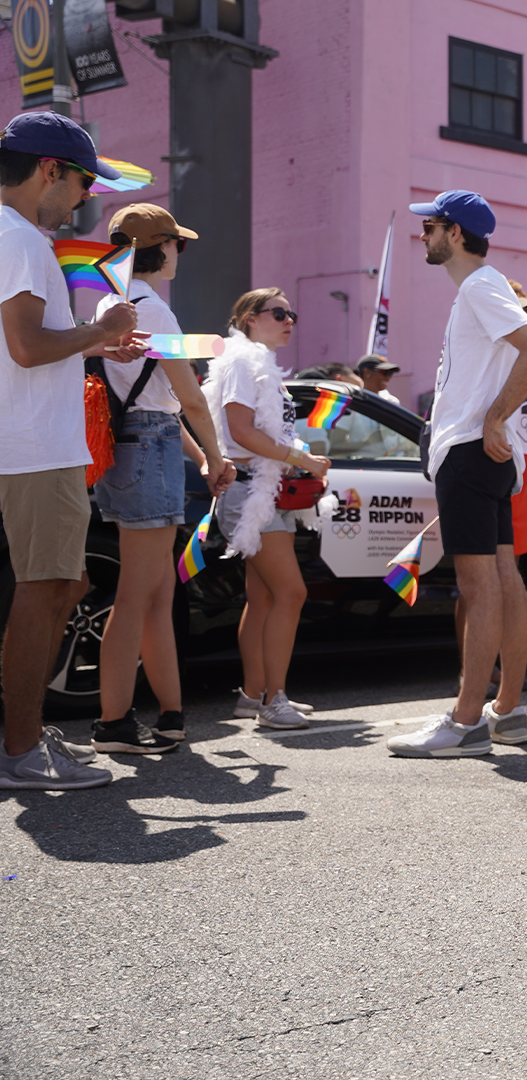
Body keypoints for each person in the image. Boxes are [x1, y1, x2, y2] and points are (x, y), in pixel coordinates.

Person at [0, 113, 143, 790]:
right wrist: (101, 325)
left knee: (66, 584)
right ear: (50, 169)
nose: (87, 195)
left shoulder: (15, 236)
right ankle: (22, 749)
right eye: (84, 180)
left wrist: (91, 340)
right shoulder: (20, 237)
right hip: (33, 444)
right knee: (51, 587)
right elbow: (27, 349)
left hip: (31, 440)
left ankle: (24, 738)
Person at [387, 190, 527, 757]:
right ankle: (506, 711)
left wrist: (494, 418)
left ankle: (465, 723)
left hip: (470, 452)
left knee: (480, 586)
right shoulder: (482, 288)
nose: (424, 235)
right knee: (504, 581)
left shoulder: (482, 285)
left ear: (454, 233)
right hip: (476, 454)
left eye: (430, 226)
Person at [93, 203, 237, 753]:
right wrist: (217, 456)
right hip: (148, 449)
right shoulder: (153, 309)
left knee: (154, 592)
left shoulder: (111, 302)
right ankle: (113, 723)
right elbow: (188, 397)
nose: (181, 252)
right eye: (178, 243)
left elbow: (147, 400)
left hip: (128, 445)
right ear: (161, 247)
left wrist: (202, 457)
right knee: (138, 594)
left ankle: (171, 718)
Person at [207, 288, 328, 729]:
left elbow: (261, 432)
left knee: (261, 598)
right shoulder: (243, 360)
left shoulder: (261, 366)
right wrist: (301, 459)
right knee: (291, 593)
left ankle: (253, 695)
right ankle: (274, 701)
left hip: (263, 488)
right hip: (248, 490)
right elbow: (239, 431)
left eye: (291, 312)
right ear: (249, 318)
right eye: (279, 312)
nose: (289, 319)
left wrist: (298, 458)